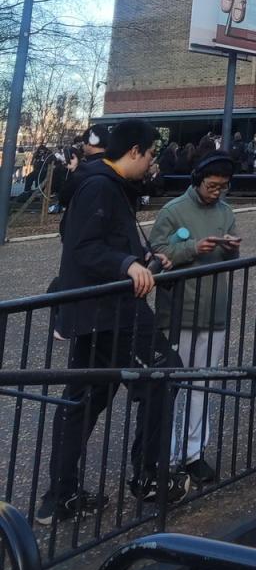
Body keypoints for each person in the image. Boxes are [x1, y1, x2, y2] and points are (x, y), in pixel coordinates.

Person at [37, 120, 188, 525]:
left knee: (83, 401)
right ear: (135, 151)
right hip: (114, 311)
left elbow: (98, 241)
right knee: (161, 376)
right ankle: (149, 477)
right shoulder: (101, 186)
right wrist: (126, 264)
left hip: (96, 312)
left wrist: (144, 260)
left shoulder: (102, 184)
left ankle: (61, 496)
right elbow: (84, 246)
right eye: (151, 154)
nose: (153, 162)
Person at [149, 154, 241, 485]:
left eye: (223, 187)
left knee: (203, 383)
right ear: (197, 180)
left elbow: (234, 257)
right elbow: (156, 253)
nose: (217, 192)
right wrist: (191, 249)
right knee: (172, 384)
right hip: (180, 310)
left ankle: (193, 453)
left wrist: (231, 248)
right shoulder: (173, 211)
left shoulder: (226, 212)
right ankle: (167, 455)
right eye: (212, 186)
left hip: (214, 309)